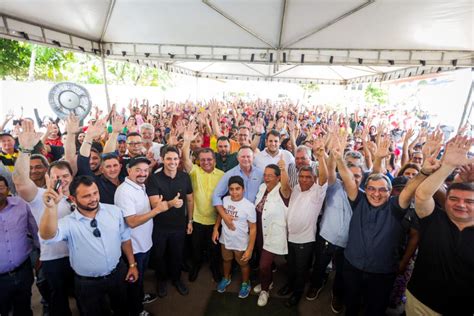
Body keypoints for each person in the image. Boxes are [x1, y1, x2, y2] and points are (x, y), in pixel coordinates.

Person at [334, 135, 434, 316]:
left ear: (390, 192)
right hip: (353, 267)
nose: (376, 194)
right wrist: (339, 157)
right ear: (366, 188)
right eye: (371, 188)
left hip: (381, 273)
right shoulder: (359, 200)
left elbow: (410, 188)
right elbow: (348, 179)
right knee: (352, 306)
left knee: (375, 310)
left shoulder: (396, 206)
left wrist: (425, 171)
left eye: (382, 190)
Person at [39, 175, 139, 316]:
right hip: (87, 284)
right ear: (73, 199)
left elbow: (125, 239)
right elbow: (47, 236)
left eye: (95, 193)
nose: (93, 199)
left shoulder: (114, 212)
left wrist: (132, 265)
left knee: (122, 308)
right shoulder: (67, 223)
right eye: (86, 196)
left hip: (118, 274)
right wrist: (50, 207)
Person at [13, 120, 75, 316]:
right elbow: (21, 182)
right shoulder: (39, 196)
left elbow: (72, 159)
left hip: (79, 255)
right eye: (56, 176)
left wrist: (71, 135)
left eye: (65, 176)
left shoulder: (79, 194)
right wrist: (24, 149)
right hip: (54, 259)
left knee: (81, 295)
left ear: (71, 177)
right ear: (48, 178)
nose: (61, 180)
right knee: (58, 300)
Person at [407, 136, 474, 315]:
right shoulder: (434, 219)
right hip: (418, 302)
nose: (461, 204)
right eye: (454, 199)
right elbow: (422, 195)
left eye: (469, 201)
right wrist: (448, 166)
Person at [115, 156, 170, 316]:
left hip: (144, 243)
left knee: (140, 278)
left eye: (146, 170)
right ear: (128, 170)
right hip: (134, 246)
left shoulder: (140, 186)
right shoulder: (124, 192)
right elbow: (131, 221)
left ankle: (139, 298)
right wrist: (157, 210)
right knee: (134, 279)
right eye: (138, 170)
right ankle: (136, 310)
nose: (142, 173)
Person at [279, 139, 328, 307]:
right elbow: (285, 186)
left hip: (305, 241)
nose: (304, 180)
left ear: (314, 178)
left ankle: (297, 294)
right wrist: (282, 169)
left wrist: (321, 157)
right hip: (291, 237)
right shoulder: (297, 188)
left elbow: (324, 176)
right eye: (301, 176)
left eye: (308, 177)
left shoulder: (317, 191)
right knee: (291, 266)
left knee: (301, 271)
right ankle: (289, 286)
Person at [146, 146, 193, 297]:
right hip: (159, 227)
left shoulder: (185, 177)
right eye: (168, 159)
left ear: (179, 160)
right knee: (159, 256)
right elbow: (154, 204)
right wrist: (171, 203)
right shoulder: (154, 178)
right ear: (162, 160)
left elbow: (190, 200)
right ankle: (161, 280)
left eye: (175, 159)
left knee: (177, 255)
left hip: (179, 226)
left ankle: (177, 279)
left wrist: (190, 221)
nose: (172, 162)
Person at [181, 124, 224, 283]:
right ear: (198, 161)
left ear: (214, 160)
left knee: (214, 249)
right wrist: (186, 141)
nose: (206, 162)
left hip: (214, 221)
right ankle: (196, 267)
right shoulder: (195, 171)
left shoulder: (222, 175)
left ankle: (215, 269)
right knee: (196, 249)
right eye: (203, 160)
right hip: (197, 219)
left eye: (209, 159)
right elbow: (185, 158)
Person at [212, 176, 257, 299]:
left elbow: (253, 228)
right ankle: (226, 278)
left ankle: (245, 283)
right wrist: (216, 228)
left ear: (243, 189)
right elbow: (221, 215)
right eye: (231, 189)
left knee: (243, 264)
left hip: (241, 241)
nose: (234, 192)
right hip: (225, 239)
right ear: (228, 189)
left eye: (237, 189)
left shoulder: (249, 206)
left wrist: (249, 249)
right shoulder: (225, 200)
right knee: (226, 260)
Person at [252, 164, 291, 307]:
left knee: (264, 265)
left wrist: (283, 169)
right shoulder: (262, 187)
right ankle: (267, 282)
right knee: (264, 265)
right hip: (260, 231)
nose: (266, 178)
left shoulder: (283, 191)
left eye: (270, 175)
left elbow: (286, 187)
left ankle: (264, 291)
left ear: (278, 177)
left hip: (274, 233)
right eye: (265, 174)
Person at [0, 175, 39, 316]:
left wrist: (41, 255)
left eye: (1, 188)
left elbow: (34, 230)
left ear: (8, 190)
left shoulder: (21, 205)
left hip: (23, 271)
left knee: (24, 308)